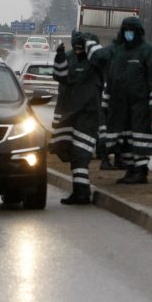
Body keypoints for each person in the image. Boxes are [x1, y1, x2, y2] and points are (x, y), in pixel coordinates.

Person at [94, 16, 152, 184]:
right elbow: (111, 76)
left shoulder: (148, 51)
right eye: (126, 31)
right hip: (120, 104)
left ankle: (141, 171)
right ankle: (130, 169)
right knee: (124, 138)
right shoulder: (119, 51)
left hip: (141, 104)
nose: (128, 34)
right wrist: (107, 99)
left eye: (131, 31)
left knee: (140, 137)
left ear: (138, 32)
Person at [50, 31, 109, 204]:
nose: (77, 50)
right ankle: (79, 191)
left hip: (88, 114)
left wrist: (89, 43)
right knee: (65, 150)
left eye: (81, 47)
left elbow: (103, 59)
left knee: (80, 154)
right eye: (75, 47)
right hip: (69, 113)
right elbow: (60, 77)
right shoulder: (68, 57)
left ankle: (82, 193)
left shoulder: (97, 62)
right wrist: (60, 57)